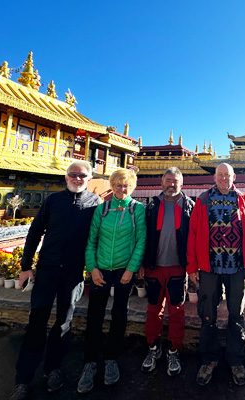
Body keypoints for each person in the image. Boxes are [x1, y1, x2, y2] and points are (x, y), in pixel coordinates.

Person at [10, 161, 100, 400]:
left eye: (82, 175)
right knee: (37, 321)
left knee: (64, 322)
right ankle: (23, 379)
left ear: (89, 178)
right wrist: (26, 267)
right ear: (66, 177)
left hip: (73, 272)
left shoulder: (95, 203)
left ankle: (52, 369)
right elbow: (35, 232)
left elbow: (100, 237)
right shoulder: (53, 201)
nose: (77, 178)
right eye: (73, 174)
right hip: (48, 268)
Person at [76, 168, 146, 394]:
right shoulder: (102, 209)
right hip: (101, 269)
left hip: (124, 269)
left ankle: (112, 358)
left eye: (125, 185)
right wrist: (93, 268)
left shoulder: (137, 210)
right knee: (94, 314)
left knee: (119, 314)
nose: (121, 189)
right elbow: (91, 241)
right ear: (112, 186)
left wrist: (131, 269)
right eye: (117, 185)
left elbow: (140, 241)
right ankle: (90, 361)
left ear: (131, 187)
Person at [187, 162, 245, 386]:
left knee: (237, 314)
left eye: (228, 175)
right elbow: (193, 233)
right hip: (210, 267)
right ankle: (209, 359)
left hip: (237, 267)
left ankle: (236, 360)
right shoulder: (203, 199)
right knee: (208, 314)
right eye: (220, 175)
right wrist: (192, 266)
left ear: (234, 176)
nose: (224, 178)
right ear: (214, 177)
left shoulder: (244, 199)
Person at [140, 167, 194, 376]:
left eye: (175, 181)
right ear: (162, 183)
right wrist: (143, 263)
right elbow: (143, 235)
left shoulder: (189, 206)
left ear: (182, 184)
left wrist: (192, 267)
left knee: (177, 311)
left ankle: (174, 350)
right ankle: (153, 348)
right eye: (168, 180)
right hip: (154, 267)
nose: (171, 184)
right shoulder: (152, 206)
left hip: (178, 268)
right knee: (154, 310)